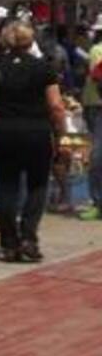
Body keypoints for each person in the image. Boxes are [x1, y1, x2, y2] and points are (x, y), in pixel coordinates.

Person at [0, 20, 66, 262]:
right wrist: (61, 132)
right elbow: (55, 105)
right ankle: (28, 237)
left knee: (7, 184)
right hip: (36, 129)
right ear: (30, 40)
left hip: (3, 129)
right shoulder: (43, 67)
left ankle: (9, 243)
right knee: (37, 184)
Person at [79, 19, 102, 221]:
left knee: (97, 155)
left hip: (96, 104)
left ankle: (97, 202)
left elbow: (96, 76)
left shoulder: (96, 49)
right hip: (96, 103)